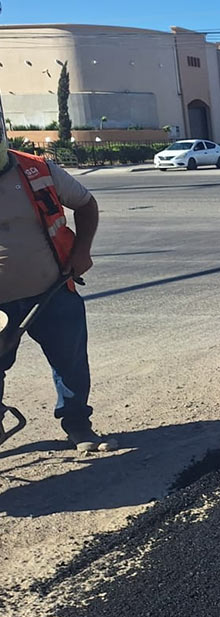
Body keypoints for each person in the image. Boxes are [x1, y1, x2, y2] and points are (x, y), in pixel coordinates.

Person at [0, 101, 112, 452]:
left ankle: (78, 424)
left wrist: (81, 252)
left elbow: (86, 203)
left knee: (70, 362)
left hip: (53, 291)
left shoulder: (36, 170)